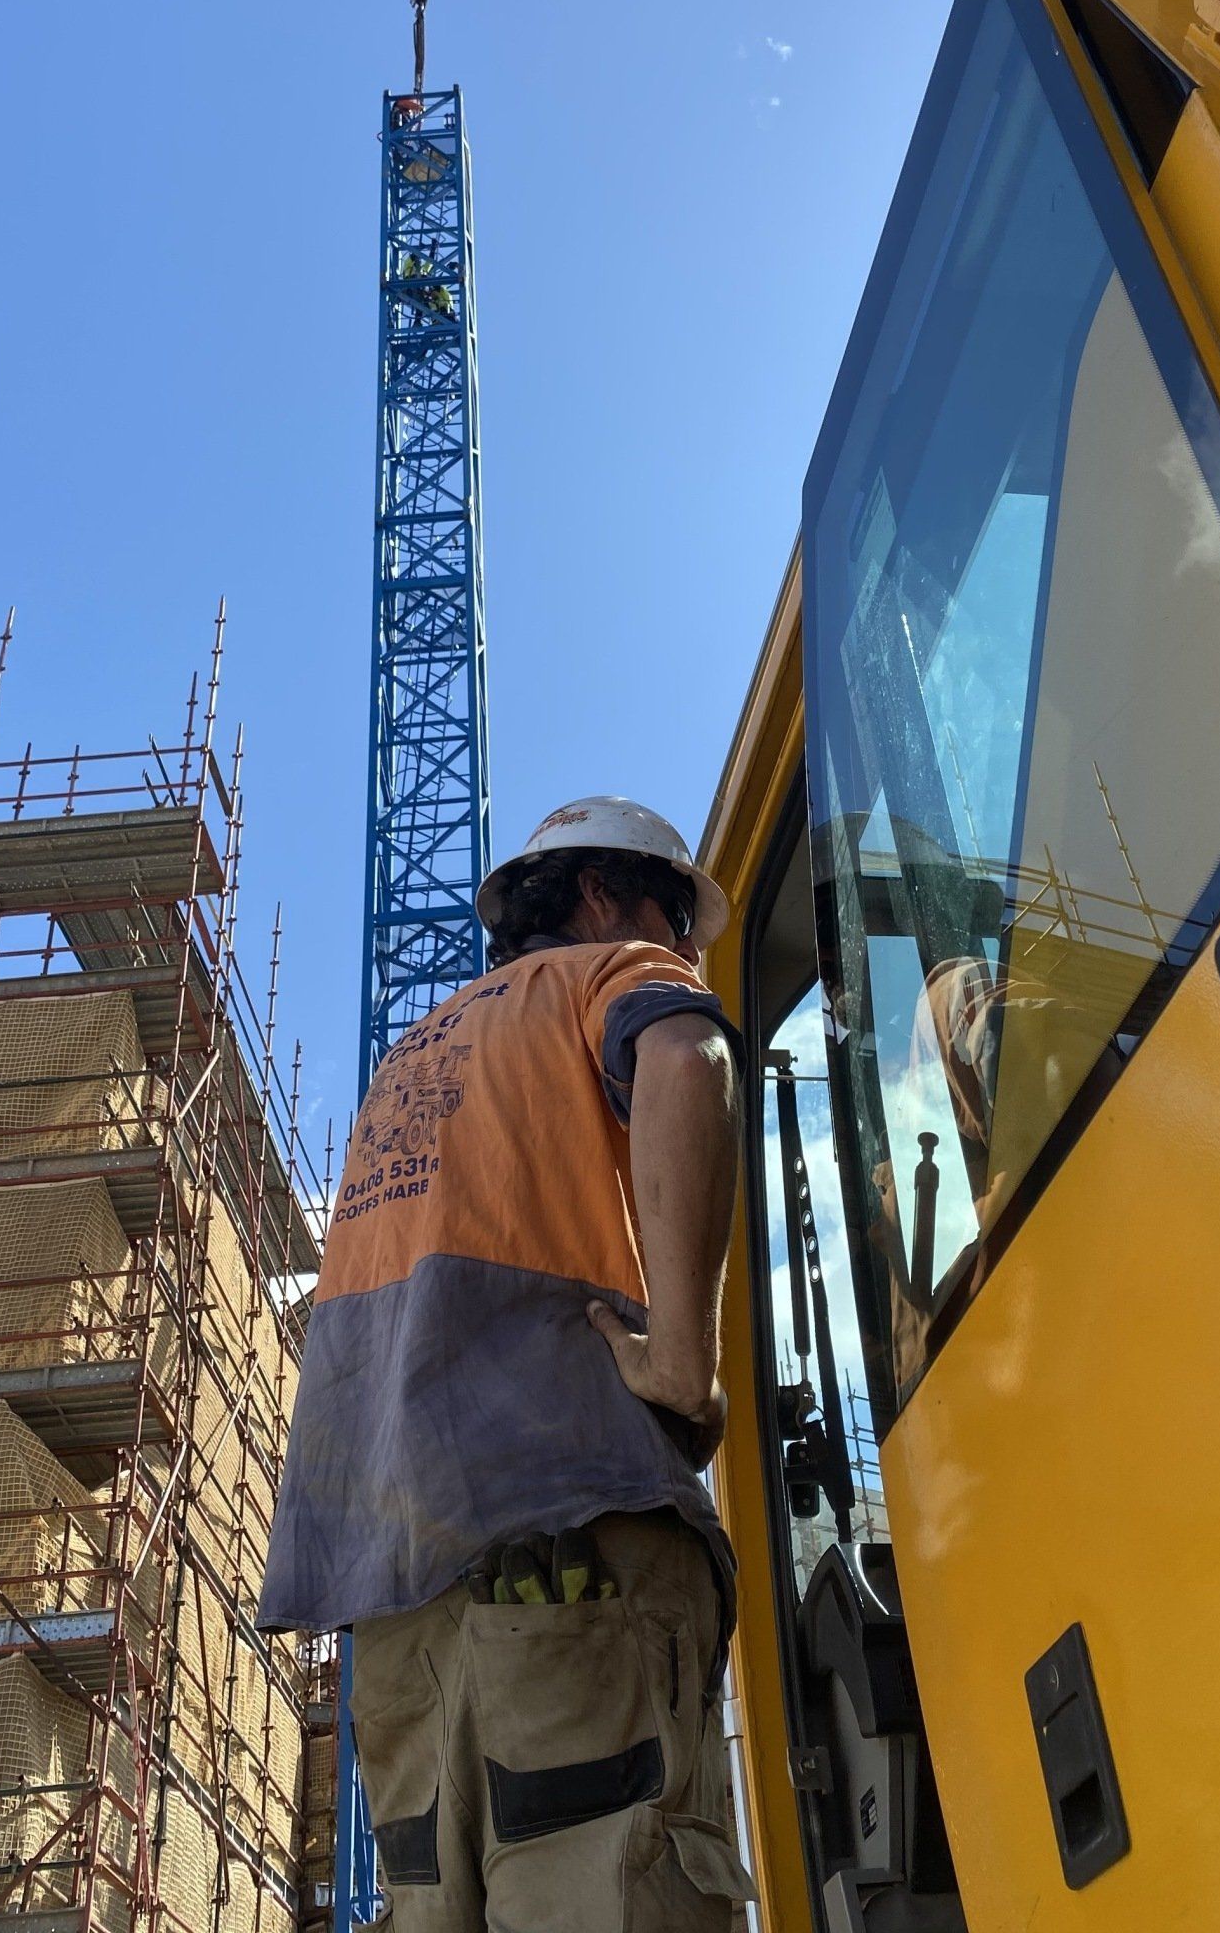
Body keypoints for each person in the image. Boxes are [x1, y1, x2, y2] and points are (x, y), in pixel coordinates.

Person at [260, 797, 757, 1931]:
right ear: (600, 894)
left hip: (395, 1624)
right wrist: (685, 1366)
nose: (684, 952)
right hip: (574, 1553)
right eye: (679, 919)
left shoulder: (403, 1071)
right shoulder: (603, 979)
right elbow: (688, 1055)